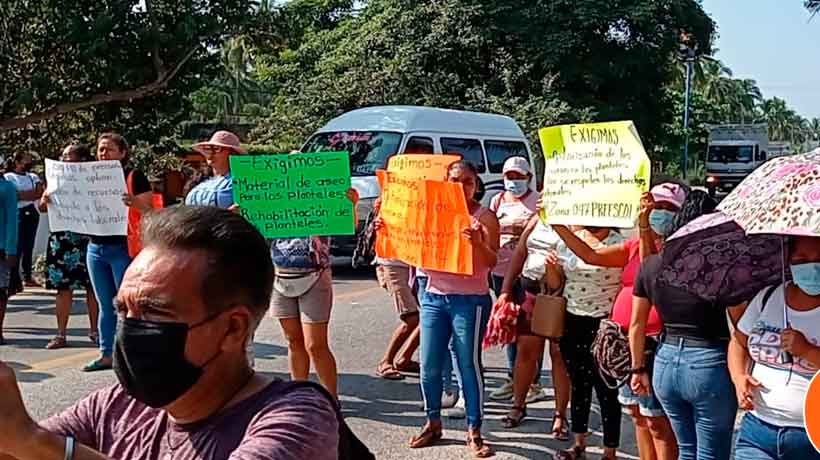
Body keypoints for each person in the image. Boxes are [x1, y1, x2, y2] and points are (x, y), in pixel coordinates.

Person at [0, 206, 340, 460]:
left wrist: (36, 443)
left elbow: (34, 445)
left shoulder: (298, 417)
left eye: (153, 311)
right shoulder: (115, 408)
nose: (131, 328)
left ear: (233, 328)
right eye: (123, 310)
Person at [551, 183, 685, 460]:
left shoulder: (676, 249)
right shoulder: (632, 246)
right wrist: (558, 225)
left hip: (653, 342)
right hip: (624, 341)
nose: (658, 212)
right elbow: (590, 255)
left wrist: (645, 226)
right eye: (654, 206)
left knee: (657, 421)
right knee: (638, 415)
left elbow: (650, 269)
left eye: (667, 209)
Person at [630, 191, 737, 460]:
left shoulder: (651, 265)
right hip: (708, 362)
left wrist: (637, 368)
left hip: (664, 363)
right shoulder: (716, 267)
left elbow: (636, 324)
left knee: (686, 450)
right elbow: (741, 321)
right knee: (711, 453)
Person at [410, 160, 499, 458]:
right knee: (429, 364)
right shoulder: (432, 213)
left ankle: (474, 430)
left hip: (469, 300)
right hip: (434, 296)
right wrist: (388, 230)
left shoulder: (484, 217)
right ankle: (432, 421)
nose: (461, 188)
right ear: (445, 182)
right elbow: (408, 245)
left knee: (467, 365)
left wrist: (477, 242)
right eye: (455, 181)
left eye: (468, 182)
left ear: (476, 185)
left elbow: (491, 262)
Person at [729, 235, 820, 460]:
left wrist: (806, 350)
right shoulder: (768, 296)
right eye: (801, 260)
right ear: (788, 261)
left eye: (819, 259)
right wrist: (739, 376)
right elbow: (738, 342)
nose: (811, 267)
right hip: (757, 431)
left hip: (811, 438)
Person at [270, 186, 359, 400]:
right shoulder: (271, 202)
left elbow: (349, 225)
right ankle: (298, 397)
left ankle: (331, 399)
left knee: (315, 345)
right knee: (293, 340)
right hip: (280, 276)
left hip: (315, 275)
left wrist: (352, 206)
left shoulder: (322, 201)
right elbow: (252, 228)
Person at [551, 225, 624, 460]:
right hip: (573, 320)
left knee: (607, 389)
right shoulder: (571, 239)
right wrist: (550, 268)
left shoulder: (618, 243)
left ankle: (609, 451)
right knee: (579, 384)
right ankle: (578, 442)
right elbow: (555, 284)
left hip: (605, 324)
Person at [495, 212, 571, 441]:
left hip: (564, 295)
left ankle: (560, 414)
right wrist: (506, 290)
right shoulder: (539, 217)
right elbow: (520, 252)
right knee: (526, 351)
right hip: (530, 291)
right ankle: (518, 405)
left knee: (559, 355)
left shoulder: (581, 217)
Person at [84, 133, 153, 372]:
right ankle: (106, 354)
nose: (103, 154)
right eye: (100, 149)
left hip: (123, 248)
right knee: (105, 303)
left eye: (109, 149)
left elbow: (150, 210)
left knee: (127, 303)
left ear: (123, 153)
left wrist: (133, 202)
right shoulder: (89, 178)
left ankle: (132, 354)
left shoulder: (135, 176)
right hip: (95, 248)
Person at [487, 156, 544, 403]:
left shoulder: (539, 201)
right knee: (508, 324)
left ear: (529, 178)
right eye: (510, 176)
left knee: (530, 328)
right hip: (500, 273)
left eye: (519, 176)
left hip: (531, 274)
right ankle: (514, 377)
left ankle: (533, 382)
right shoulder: (497, 200)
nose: (514, 181)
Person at [37, 143, 99, 350]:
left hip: (89, 237)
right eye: (62, 156)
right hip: (62, 239)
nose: (63, 160)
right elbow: (42, 208)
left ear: (82, 160)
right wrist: (44, 200)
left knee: (93, 288)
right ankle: (60, 334)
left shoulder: (94, 179)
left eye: (68, 156)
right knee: (63, 289)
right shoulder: (55, 179)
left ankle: (95, 332)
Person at [4, 151, 43, 293]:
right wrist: (27, 194)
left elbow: (39, 193)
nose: (29, 162)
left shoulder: (32, 176)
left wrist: (24, 195)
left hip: (31, 214)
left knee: (29, 245)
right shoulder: (9, 177)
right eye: (26, 160)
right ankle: (14, 277)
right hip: (17, 213)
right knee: (17, 246)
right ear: (18, 162)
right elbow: (14, 196)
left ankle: (27, 276)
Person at [185, 131, 244, 209]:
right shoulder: (199, 179)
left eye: (217, 149)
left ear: (232, 153)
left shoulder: (243, 182)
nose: (211, 153)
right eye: (208, 149)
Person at [0, 175, 17, 345]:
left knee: (0, 291)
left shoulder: (7, 187)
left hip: (1, 247)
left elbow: (12, 220)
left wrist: (11, 249)